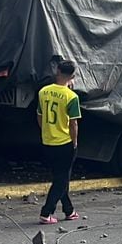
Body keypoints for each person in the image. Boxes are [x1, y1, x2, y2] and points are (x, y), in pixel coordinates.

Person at [37, 60, 83, 225]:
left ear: (57, 72)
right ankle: (46, 212)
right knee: (61, 180)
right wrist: (75, 142)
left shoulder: (43, 92)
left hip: (48, 140)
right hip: (64, 142)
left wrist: (47, 131)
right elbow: (73, 123)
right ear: (72, 76)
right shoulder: (72, 97)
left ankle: (69, 210)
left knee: (60, 176)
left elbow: (40, 116)